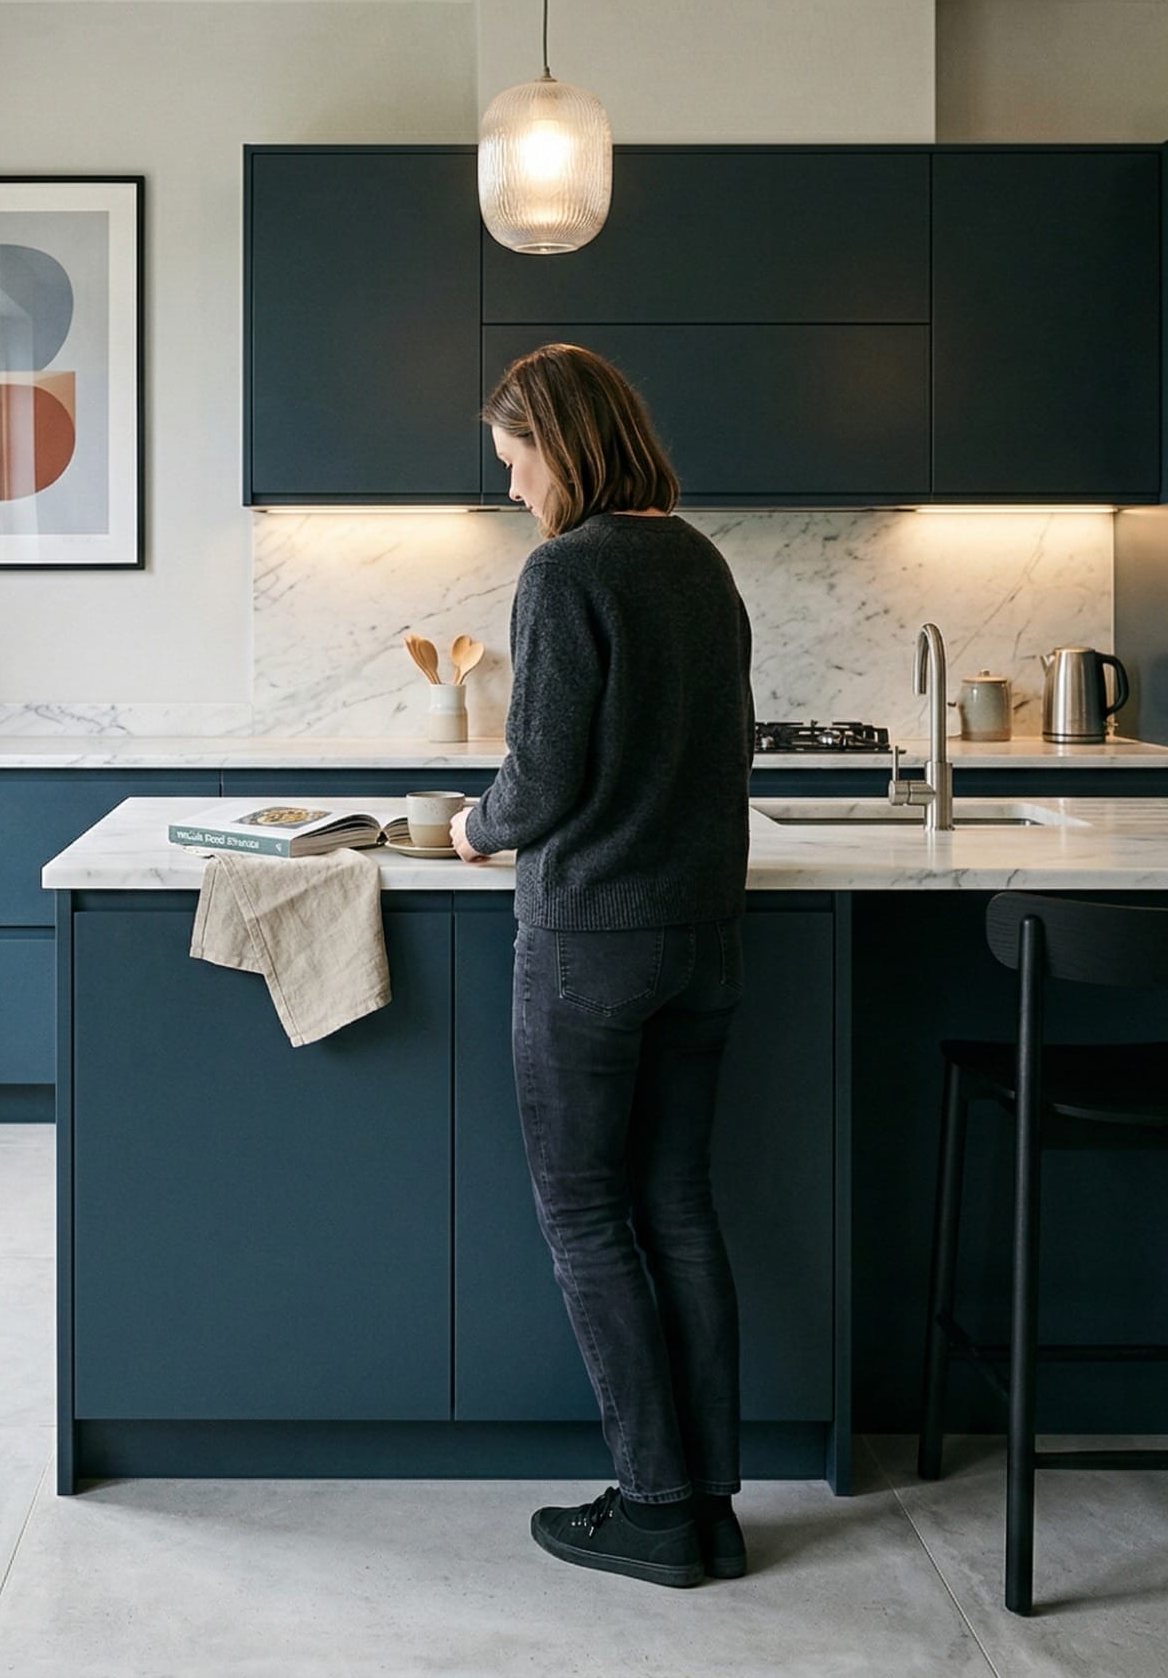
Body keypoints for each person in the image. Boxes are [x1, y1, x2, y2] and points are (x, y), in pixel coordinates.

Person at [452, 342, 756, 1591]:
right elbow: (731, 743)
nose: (513, 486)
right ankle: (710, 1506)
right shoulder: (697, 559)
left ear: (561, 446)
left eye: (514, 460)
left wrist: (473, 827)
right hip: (702, 933)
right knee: (676, 1206)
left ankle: (651, 1507)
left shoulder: (565, 569)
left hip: (591, 939)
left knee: (585, 1217)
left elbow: (540, 775)